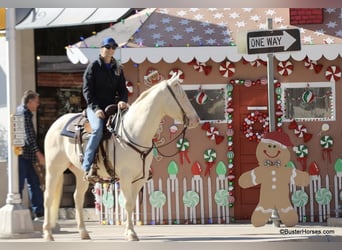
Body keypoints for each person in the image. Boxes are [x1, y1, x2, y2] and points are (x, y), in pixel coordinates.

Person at [82, 37, 128, 181]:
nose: (111, 49)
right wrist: (96, 109)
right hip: (95, 107)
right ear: (101, 49)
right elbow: (87, 90)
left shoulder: (118, 68)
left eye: (114, 47)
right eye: (108, 47)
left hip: (112, 108)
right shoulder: (93, 66)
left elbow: (123, 89)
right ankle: (87, 165)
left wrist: (122, 101)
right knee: (97, 130)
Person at [16, 90, 45, 220]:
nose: (38, 105)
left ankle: (38, 212)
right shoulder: (24, 114)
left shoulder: (21, 112)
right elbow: (29, 136)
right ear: (30, 102)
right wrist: (38, 153)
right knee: (22, 184)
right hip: (23, 156)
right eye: (37, 102)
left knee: (33, 183)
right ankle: (26, 211)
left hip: (25, 155)